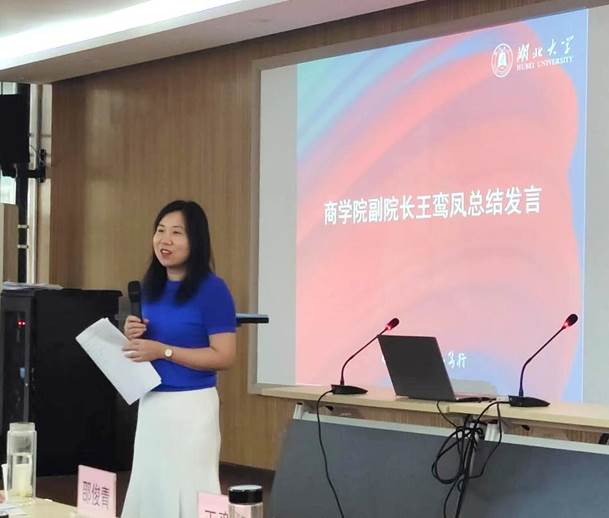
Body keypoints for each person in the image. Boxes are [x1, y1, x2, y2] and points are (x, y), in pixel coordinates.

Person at [120, 200, 237, 518]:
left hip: (191, 408)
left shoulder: (212, 289)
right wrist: (133, 334)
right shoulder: (150, 288)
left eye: (176, 233)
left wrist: (164, 351)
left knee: (188, 489)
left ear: (195, 240)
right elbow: (146, 348)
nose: (165, 240)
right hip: (152, 403)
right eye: (160, 231)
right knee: (151, 488)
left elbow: (224, 355)